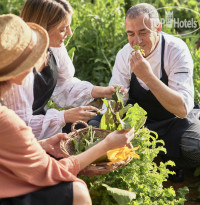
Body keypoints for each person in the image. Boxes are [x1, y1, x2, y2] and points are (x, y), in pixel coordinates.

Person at [0, 14, 135, 205]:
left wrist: (41, 145)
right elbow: (55, 172)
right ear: (20, 71)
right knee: (77, 190)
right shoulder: (8, 121)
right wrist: (106, 145)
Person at [102, 3, 200, 182]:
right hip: (139, 124)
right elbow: (117, 102)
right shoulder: (124, 55)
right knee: (91, 127)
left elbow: (181, 109)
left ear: (158, 28)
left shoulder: (176, 50)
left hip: (174, 122)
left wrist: (147, 76)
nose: (137, 41)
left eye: (143, 32)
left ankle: (173, 162)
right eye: (131, 34)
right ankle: (142, 163)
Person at [4, 0, 126, 140]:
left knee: (93, 129)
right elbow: (18, 124)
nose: (70, 33)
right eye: (63, 29)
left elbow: (64, 84)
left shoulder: (53, 49)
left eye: (69, 26)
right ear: (41, 28)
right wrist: (64, 116)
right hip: (19, 135)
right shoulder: (19, 67)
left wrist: (101, 91)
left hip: (41, 121)